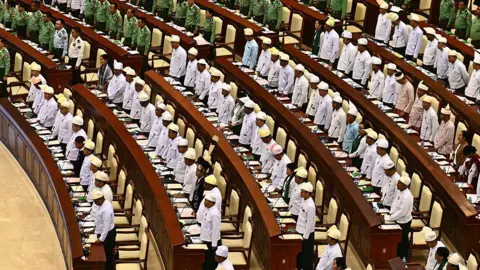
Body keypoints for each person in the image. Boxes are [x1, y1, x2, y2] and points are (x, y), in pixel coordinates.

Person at [387, 175, 413, 261]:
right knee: (396, 240)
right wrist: (391, 212)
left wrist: (392, 217)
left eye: (399, 183)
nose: (397, 184)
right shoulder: (399, 191)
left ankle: (402, 257)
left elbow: (403, 212)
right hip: (395, 218)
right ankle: (395, 255)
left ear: (405, 185)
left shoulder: (407, 196)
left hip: (403, 222)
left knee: (402, 241)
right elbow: (394, 202)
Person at [91, 189, 116, 270]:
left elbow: (106, 226)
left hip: (108, 235)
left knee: (107, 255)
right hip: (104, 232)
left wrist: (101, 239)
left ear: (101, 199)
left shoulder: (106, 210)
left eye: (95, 201)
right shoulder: (103, 204)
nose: (94, 203)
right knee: (104, 253)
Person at [295, 182, 315, 270]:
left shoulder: (311, 206)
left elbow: (310, 223)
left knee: (306, 254)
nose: (301, 193)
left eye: (303, 192)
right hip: (299, 229)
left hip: (306, 234)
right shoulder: (304, 200)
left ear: (307, 193)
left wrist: (305, 236)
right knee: (300, 253)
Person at [199, 193, 221, 270]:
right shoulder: (208, 209)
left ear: (212, 203)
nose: (205, 202)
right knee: (206, 259)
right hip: (206, 238)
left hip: (211, 241)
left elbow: (216, 229)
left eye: (207, 201)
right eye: (205, 200)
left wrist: (214, 244)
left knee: (210, 262)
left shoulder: (214, 214)